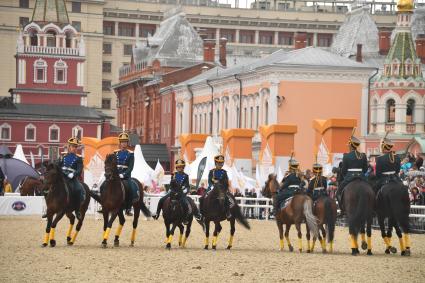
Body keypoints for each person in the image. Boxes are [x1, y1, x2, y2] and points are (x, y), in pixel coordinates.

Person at [153, 159, 203, 223]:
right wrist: (170, 189)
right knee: (161, 200)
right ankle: (157, 214)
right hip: (173, 192)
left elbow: (187, 186)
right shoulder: (174, 175)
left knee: (185, 203)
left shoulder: (185, 176)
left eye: (181, 167)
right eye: (178, 167)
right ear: (176, 167)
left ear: (183, 168)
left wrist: (184, 190)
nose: (180, 168)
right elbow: (171, 185)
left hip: (181, 193)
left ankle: (185, 218)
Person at [336, 132, 368, 213]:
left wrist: (345, 176)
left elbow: (343, 170)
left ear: (351, 145)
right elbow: (365, 169)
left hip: (349, 177)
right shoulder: (363, 155)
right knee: (372, 189)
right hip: (361, 177)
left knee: (338, 192)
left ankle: (342, 210)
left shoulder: (346, 156)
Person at [58, 137, 85, 220]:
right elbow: (58, 166)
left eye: (76, 147)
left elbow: (80, 169)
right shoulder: (63, 156)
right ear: (69, 147)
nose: (74, 148)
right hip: (62, 176)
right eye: (73, 146)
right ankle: (49, 208)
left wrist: (73, 174)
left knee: (79, 189)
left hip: (71, 178)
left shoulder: (79, 158)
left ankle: (77, 210)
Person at [113, 132, 139, 216]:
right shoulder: (115, 153)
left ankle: (128, 208)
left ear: (127, 143)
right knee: (105, 184)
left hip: (125, 176)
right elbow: (113, 165)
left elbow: (130, 167)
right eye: (122, 142)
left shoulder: (130, 154)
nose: (123, 143)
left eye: (125, 142)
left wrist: (123, 174)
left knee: (131, 188)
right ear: (120, 143)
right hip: (116, 175)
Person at [204, 154, 232, 219]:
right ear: (215, 163)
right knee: (203, 197)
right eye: (218, 163)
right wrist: (212, 186)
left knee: (227, 199)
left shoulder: (224, 172)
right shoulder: (212, 172)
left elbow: (226, 182)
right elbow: (209, 181)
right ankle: (203, 212)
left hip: (222, 189)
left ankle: (227, 212)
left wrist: (220, 184)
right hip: (212, 188)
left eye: (221, 163)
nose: (220, 164)